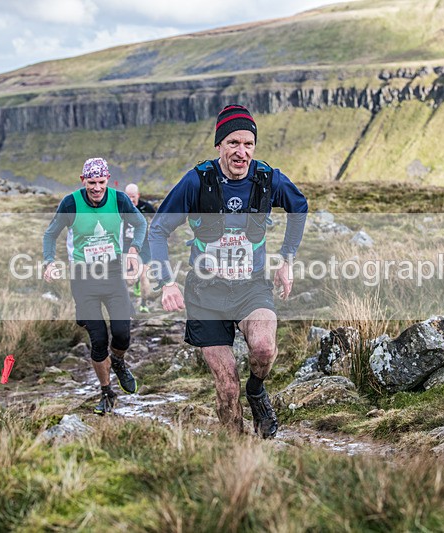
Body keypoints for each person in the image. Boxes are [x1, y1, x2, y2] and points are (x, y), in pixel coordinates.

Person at [149, 104, 308, 438]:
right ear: (219, 145)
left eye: (248, 144)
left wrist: (286, 260)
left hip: (252, 287)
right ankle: (237, 453)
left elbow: (299, 207)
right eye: (233, 143)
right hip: (206, 295)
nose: (241, 151)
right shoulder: (197, 181)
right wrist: (167, 283)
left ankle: (257, 390)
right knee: (226, 386)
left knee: (264, 348)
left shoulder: (267, 179)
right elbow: (158, 229)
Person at [43, 157, 147, 415]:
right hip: (83, 278)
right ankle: (107, 392)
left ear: (107, 179)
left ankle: (119, 361)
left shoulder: (119, 199)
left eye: (101, 182)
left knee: (122, 333)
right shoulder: (71, 203)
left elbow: (140, 223)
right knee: (98, 339)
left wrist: (134, 250)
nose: (97, 188)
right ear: (83, 181)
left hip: (112, 275)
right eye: (92, 183)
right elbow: (50, 234)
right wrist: (48, 262)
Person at [123, 183, 157, 313]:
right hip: (127, 245)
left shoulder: (146, 207)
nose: (131, 200)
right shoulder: (121, 208)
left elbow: (158, 223)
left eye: (133, 197)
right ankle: (126, 304)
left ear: (138, 195)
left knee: (143, 275)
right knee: (129, 279)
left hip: (145, 246)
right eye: (128, 197)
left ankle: (144, 304)